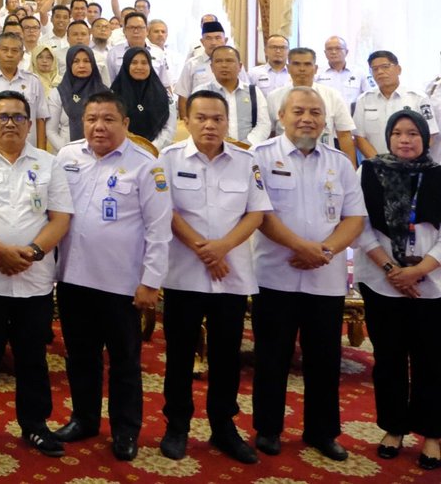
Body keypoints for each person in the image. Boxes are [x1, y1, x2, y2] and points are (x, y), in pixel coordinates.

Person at [53, 92, 171, 462]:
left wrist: (151, 281)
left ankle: (125, 429)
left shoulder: (146, 165)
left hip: (122, 284)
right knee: (80, 357)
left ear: (125, 123)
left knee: (124, 361)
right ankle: (84, 419)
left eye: (107, 119)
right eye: (91, 119)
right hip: (72, 278)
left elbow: (159, 229)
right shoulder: (67, 157)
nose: (98, 127)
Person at [0, 91, 73, 455]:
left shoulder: (49, 163)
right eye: (2, 116)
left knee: (32, 357)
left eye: (18, 117)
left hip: (34, 278)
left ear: (28, 122)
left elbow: (61, 217)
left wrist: (33, 252)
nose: (10, 123)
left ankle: (35, 425)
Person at [250, 86, 365, 461]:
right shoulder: (261, 157)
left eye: (315, 112)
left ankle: (322, 431)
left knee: (324, 359)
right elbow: (259, 213)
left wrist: (326, 250)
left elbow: (354, 218)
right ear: (281, 116)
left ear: (325, 120)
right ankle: (268, 429)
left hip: (325, 277)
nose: (307, 118)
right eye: (298, 111)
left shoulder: (340, 163)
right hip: (275, 274)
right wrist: (300, 248)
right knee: (271, 356)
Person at [158, 89, 272, 464]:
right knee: (178, 355)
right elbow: (165, 210)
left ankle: (224, 426)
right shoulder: (169, 158)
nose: (209, 125)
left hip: (230, 277)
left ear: (227, 122)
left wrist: (221, 248)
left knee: (227, 356)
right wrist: (202, 248)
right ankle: (177, 426)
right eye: (201, 118)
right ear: (187, 121)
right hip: (183, 276)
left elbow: (255, 213)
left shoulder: (245, 160)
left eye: (217, 119)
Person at [355, 110, 441, 469]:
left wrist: (421, 267)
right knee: (388, 359)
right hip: (381, 280)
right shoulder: (369, 171)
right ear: (388, 137)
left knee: (432, 361)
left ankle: (433, 434)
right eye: (398, 134)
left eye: (413, 134)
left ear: (425, 139)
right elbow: (357, 224)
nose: (405, 140)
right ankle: (393, 427)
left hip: (433, 283)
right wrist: (391, 269)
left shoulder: (438, 174)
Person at [352, 51, 436, 160]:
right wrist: (379, 162)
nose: (380, 72)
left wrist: (412, 160)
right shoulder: (364, 100)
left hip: (411, 166)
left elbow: (430, 134)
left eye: (385, 67)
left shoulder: (418, 98)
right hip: (375, 166)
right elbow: (359, 137)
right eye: (375, 69)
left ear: (398, 69)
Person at [110, 47, 172, 148]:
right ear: (126, 65)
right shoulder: (113, 95)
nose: (139, 67)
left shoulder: (163, 94)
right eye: (134, 63)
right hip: (120, 151)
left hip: (156, 153)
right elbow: (110, 124)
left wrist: (151, 148)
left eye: (144, 63)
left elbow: (168, 128)